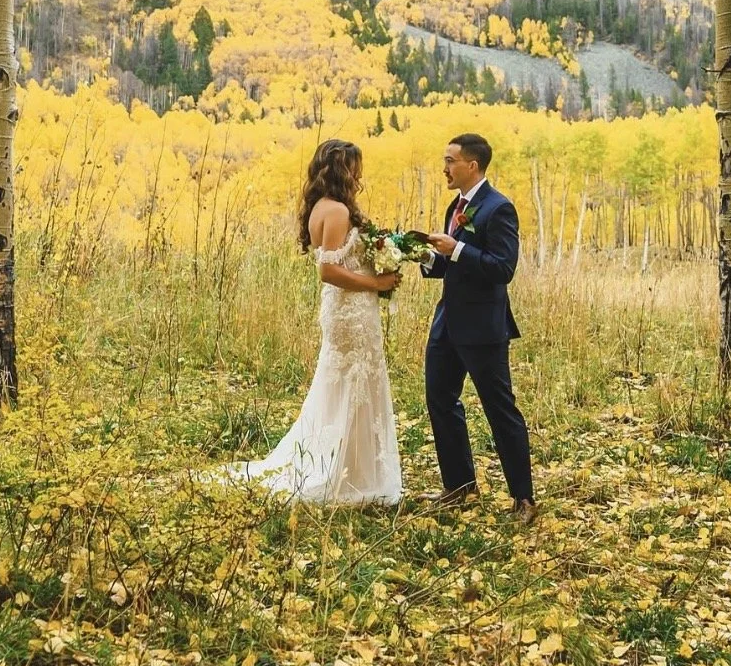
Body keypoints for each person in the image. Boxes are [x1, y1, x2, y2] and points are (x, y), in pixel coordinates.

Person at [227, 138, 402, 504]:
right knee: (353, 385)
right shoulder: (336, 211)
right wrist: (377, 282)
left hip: (347, 310)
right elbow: (329, 270)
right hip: (350, 312)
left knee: (346, 386)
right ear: (342, 169)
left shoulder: (323, 207)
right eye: (355, 167)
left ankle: (352, 467)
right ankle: (347, 474)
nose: (359, 175)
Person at [421, 132, 536, 522]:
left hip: (484, 328)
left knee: (500, 410)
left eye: (450, 160)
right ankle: (460, 487)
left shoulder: (498, 208)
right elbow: (451, 266)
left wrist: (456, 250)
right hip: (447, 323)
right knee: (440, 399)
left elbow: (503, 268)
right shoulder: (457, 205)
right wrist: (423, 256)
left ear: (472, 165)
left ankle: (524, 499)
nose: (445, 167)